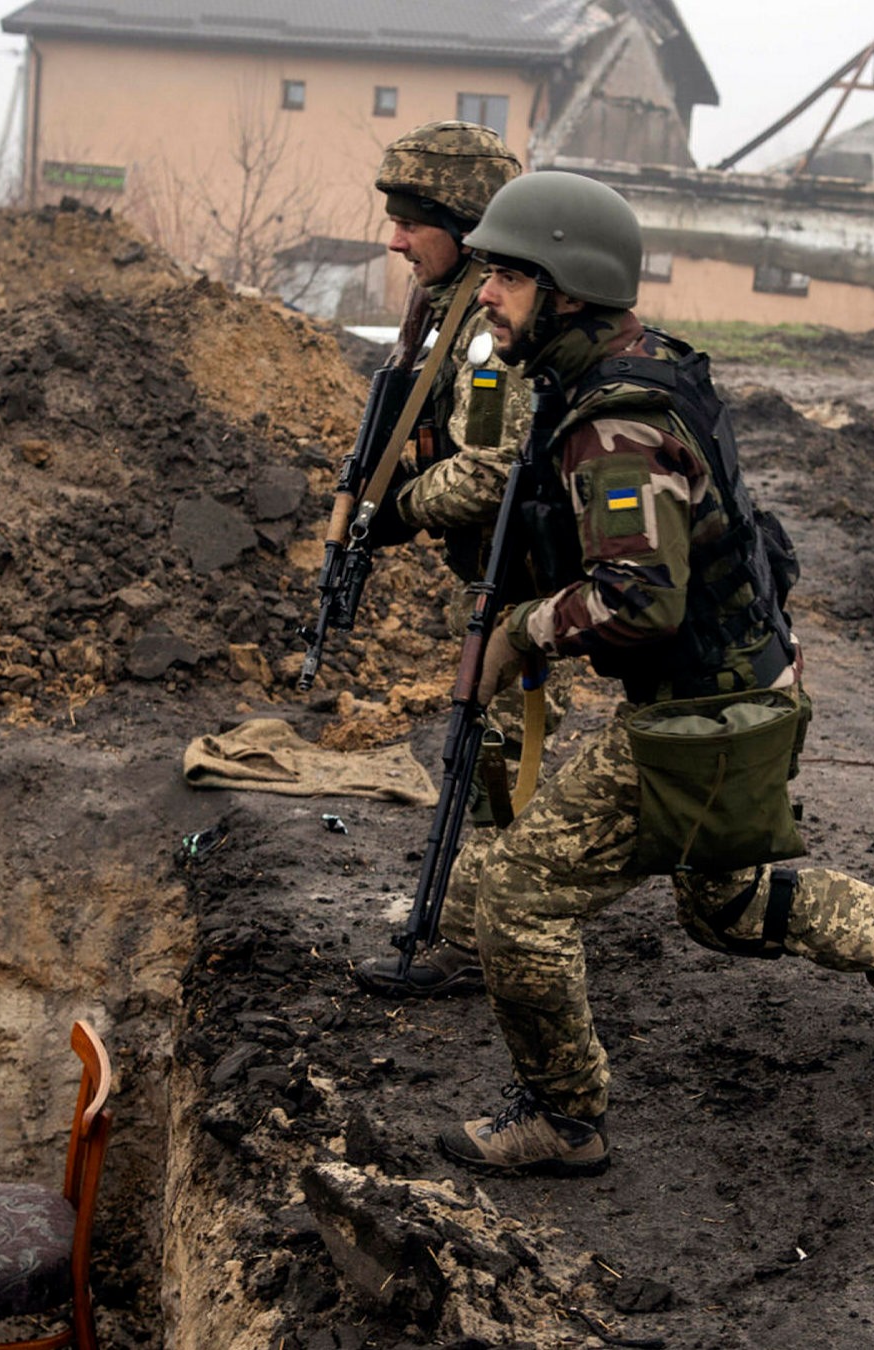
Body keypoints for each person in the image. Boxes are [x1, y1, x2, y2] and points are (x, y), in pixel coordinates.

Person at [423, 170, 874, 1177]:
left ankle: (564, 1119)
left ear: (567, 286)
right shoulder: (627, 370)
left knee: (519, 900)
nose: (486, 295)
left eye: (510, 277)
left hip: (705, 705)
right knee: (726, 897)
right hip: (745, 684)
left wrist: (523, 629)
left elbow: (637, 602)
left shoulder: (614, 425)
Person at [348, 121, 556, 999]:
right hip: (499, 570)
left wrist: (398, 508)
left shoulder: (489, 324)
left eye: (413, 220)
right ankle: (471, 923)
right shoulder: (446, 314)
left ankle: (476, 938)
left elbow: (497, 464)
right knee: (486, 749)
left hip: (527, 576)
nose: (394, 238)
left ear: (467, 225)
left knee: (493, 753)